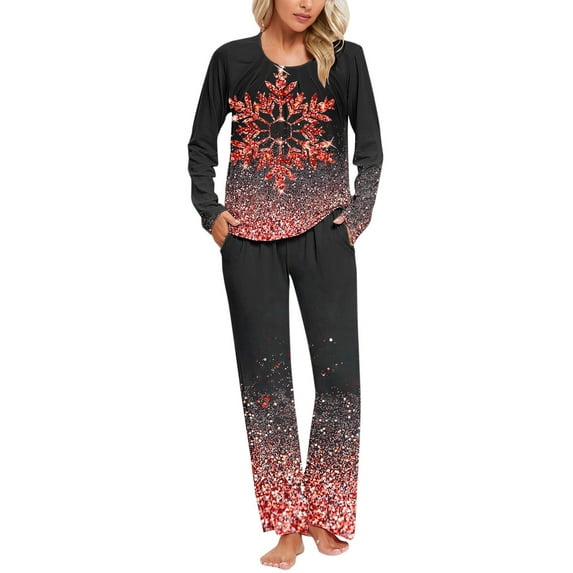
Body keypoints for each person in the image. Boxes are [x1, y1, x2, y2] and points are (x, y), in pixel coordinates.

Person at [187, 0, 383, 568]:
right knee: (265, 385)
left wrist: (357, 217)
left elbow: (371, 151)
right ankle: (287, 526)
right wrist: (211, 214)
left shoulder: (345, 61)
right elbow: (200, 145)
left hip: (326, 233)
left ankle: (324, 512)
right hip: (247, 240)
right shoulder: (231, 60)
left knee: (339, 378)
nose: (306, 3)